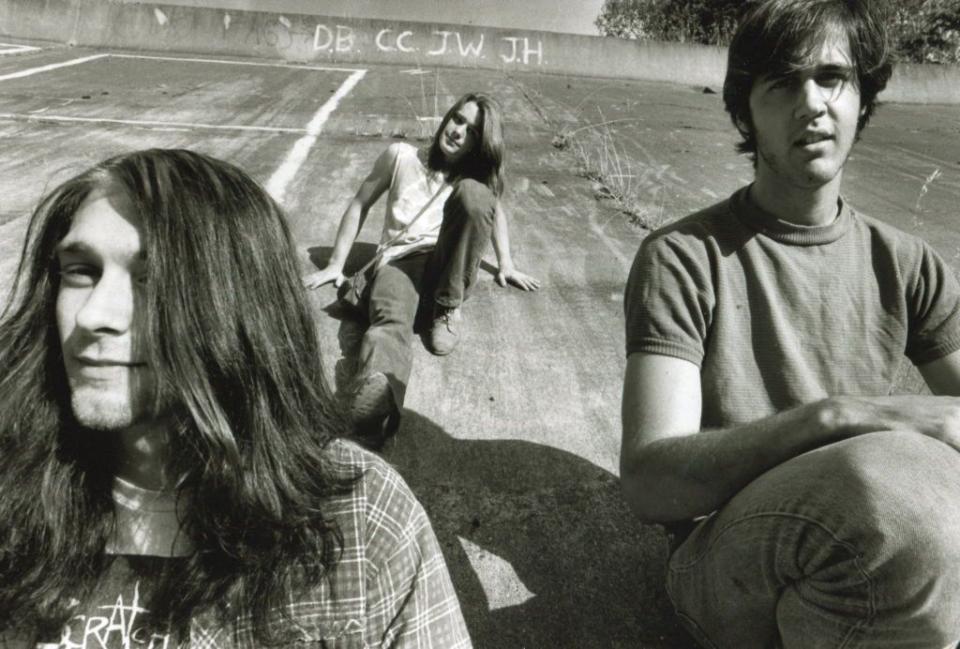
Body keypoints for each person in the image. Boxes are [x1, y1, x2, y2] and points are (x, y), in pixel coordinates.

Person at [0, 149, 471, 647]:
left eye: (152, 279)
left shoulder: (362, 519)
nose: (94, 314)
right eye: (81, 271)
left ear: (240, 308)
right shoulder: (15, 488)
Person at [621, 1, 960, 647]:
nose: (812, 103)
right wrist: (833, 416)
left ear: (863, 96)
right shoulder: (685, 256)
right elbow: (649, 480)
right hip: (722, 561)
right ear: (746, 109)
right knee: (891, 499)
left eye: (832, 77)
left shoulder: (910, 264)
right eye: (782, 82)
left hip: (880, 545)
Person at [303, 92, 540, 448]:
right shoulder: (399, 157)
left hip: (448, 265)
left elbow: (493, 212)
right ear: (447, 117)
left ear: (480, 144)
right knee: (389, 322)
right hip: (399, 263)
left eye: (473, 131)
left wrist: (506, 263)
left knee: (476, 196)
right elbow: (359, 203)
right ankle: (377, 404)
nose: (459, 132)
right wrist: (337, 262)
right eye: (458, 119)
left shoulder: (470, 182)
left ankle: (445, 308)